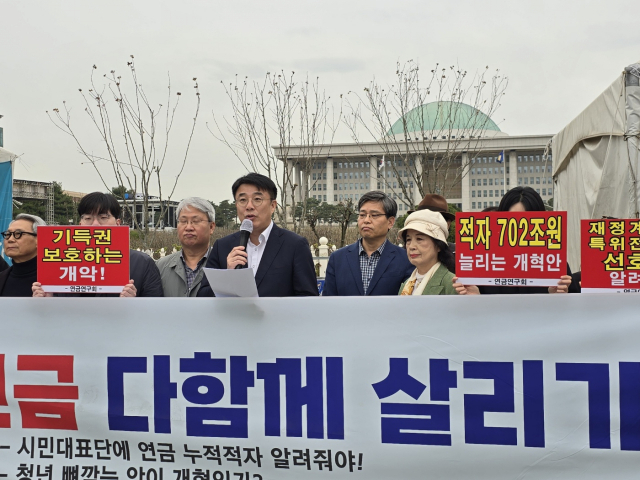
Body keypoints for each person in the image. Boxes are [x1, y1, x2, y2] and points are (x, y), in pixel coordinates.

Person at [197, 173, 318, 297]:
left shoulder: (295, 245)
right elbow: (203, 297)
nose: (249, 206)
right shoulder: (222, 246)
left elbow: (307, 298)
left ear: (272, 206)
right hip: (234, 316)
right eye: (243, 200)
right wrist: (228, 276)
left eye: (257, 199)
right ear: (236, 205)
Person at [32, 192, 163, 297]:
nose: (95, 225)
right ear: (80, 224)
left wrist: (133, 304)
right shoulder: (58, 260)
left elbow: (155, 313)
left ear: (118, 223)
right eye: (88, 218)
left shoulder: (142, 263)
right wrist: (46, 301)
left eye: (103, 217)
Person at [453, 186, 571, 295]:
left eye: (527, 221)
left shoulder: (555, 265)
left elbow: (570, 313)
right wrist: (475, 297)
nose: (519, 229)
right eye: (511, 220)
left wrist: (557, 297)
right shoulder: (483, 263)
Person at [323, 191, 414, 296]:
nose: (366, 220)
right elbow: (329, 301)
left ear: (390, 222)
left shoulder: (405, 259)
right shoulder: (338, 258)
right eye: (362, 215)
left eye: (374, 215)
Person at [156, 197, 215, 297]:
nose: (188, 228)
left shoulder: (224, 266)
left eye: (195, 221)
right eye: (183, 221)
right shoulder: (160, 267)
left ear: (211, 227)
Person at [397, 210, 458, 296]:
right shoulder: (407, 283)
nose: (411, 246)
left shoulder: (451, 283)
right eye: (408, 240)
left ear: (438, 245)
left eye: (419, 239)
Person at [0, 214, 46, 297]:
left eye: (18, 234)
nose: (10, 239)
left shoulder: (54, 281)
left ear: (39, 239)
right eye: (8, 234)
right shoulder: (2, 278)